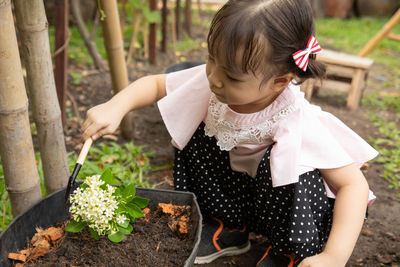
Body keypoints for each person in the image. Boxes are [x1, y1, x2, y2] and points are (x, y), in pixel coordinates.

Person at [81, 0, 378, 266]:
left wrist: (333, 257)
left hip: (284, 204)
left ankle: (291, 252)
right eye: (211, 59)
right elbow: (157, 85)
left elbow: (354, 186)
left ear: (279, 81)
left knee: (299, 170)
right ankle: (229, 227)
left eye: (232, 76)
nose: (213, 78)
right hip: (241, 189)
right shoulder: (215, 79)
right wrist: (115, 106)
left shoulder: (296, 121)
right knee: (196, 126)